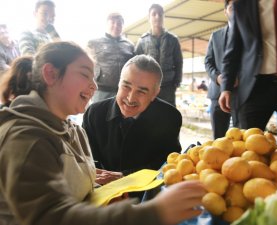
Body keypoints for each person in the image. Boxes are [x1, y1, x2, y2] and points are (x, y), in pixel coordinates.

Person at [0, 41, 206, 225]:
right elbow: (50, 217)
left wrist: (108, 197)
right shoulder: (26, 138)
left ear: (155, 94)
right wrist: (154, 212)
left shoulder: (72, 131)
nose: (94, 85)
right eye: (84, 74)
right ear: (51, 74)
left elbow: (83, 188)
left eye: (94, 76)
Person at [82, 55, 182, 184]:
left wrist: (125, 177)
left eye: (141, 91)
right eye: (126, 86)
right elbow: (86, 159)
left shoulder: (169, 117)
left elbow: (167, 162)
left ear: (155, 94)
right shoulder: (95, 113)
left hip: (146, 191)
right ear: (119, 83)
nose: (130, 98)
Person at [218, 0, 277, 144]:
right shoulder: (241, 6)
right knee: (247, 146)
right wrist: (226, 87)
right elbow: (233, 51)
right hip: (256, 87)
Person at [135, 4, 183, 106]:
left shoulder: (173, 39)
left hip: (168, 86)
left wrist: (176, 82)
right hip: (148, 86)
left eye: (160, 14)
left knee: (168, 115)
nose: (157, 17)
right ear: (149, 18)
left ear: (163, 17)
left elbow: (179, 61)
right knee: (148, 114)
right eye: (154, 14)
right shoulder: (142, 41)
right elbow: (136, 64)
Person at [204, 0, 238, 139]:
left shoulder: (250, 35)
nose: (235, 11)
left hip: (242, 93)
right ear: (225, 12)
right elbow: (208, 61)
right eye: (231, 8)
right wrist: (217, 77)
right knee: (218, 138)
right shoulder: (216, 35)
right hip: (217, 94)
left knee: (242, 139)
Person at [87, 12, 135, 103]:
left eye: (119, 23)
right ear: (107, 24)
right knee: (98, 115)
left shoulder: (130, 45)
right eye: (113, 22)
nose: (116, 26)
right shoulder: (93, 43)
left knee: (122, 115)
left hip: (123, 90)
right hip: (100, 91)